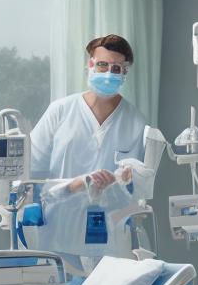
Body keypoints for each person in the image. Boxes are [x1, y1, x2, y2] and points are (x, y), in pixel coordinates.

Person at [30, 34, 147, 193]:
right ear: (90, 65)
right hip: (60, 214)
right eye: (102, 65)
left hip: (112, 216)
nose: (108, 74)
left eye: (116, 68)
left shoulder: (135, 122)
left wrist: (125, 179)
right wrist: (73, 186)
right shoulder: (60, 111)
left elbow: (136, 185)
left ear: (124, 72)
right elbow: (31, 171)